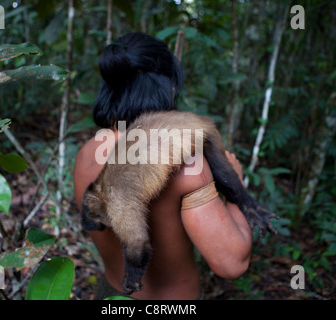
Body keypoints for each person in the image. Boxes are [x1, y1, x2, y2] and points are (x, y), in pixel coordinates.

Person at [73, 32, 252, 300]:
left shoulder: (87, 153)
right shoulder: (185, 165)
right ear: (166, 86)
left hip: (110, 295)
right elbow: (232, 264)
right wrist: (235, 186)